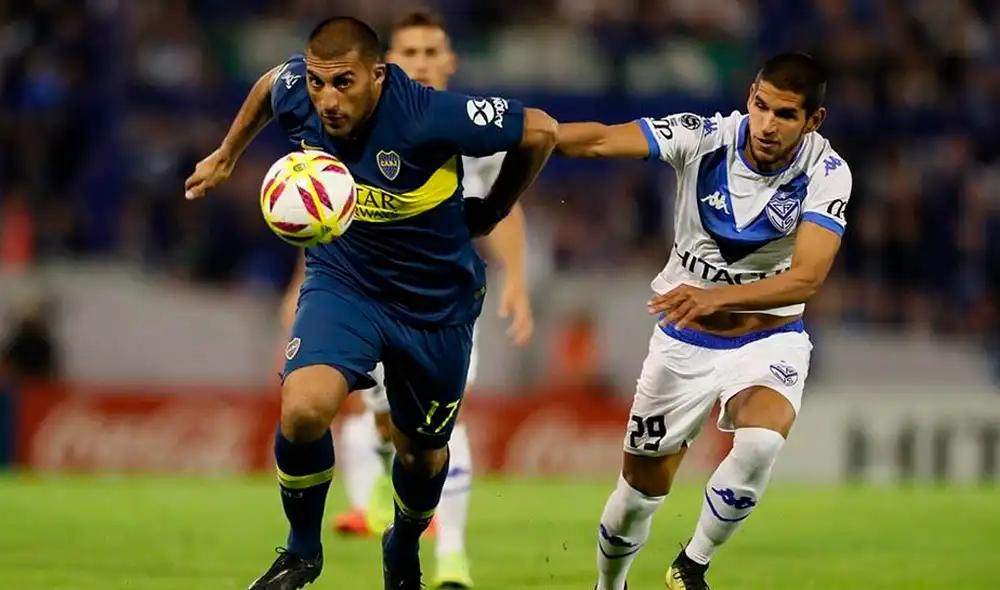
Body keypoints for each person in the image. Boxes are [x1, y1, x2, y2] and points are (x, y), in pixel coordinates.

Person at [184, 16, 556, 590]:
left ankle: (402, 541)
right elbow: (268, 84)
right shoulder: (299, 92)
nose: (326, 100)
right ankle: (302, 552)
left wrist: (495, 208)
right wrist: (229, 154)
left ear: (378, 75)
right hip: (346, 283)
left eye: (343, 84)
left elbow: (540, 131)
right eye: (316, 82)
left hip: (434, 306)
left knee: (423, 457)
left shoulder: (431, 115)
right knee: (304, 409)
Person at [554, 52, 851, 590]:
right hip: (683, 341)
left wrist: (716, 298)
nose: (766, 124)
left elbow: (807, 279)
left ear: (813, 121)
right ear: (749, 97)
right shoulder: (703, 135)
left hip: (770, 335)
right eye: (761, 106)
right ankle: (609, 585)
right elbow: (600, 139)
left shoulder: (827, 173)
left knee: (761, 443)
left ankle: (690, 565)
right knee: (639, 496)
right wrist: (523, 133)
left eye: (785, 115)